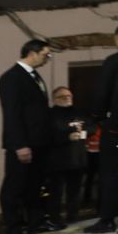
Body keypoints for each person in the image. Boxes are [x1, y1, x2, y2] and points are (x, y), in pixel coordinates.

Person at [0, 39, 55, 234]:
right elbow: (12, 114)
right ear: (32, 52)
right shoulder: (11, 78)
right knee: (15, 187)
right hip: (22, 143)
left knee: (35, 184)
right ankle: (13, 229)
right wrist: (20, 144)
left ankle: (36, 221)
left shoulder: (34, 76)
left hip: (39, 141)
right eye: (46, 54)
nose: (48, 59)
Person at [86, 23, 118, 234]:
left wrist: (95, 117)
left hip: (116, 125)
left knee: (109, 172)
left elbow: (103, 93)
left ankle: (107, 217)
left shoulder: (114, 61)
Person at [46, 87, 88, 226]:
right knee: (56, 192)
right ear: (55, 99)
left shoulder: (79, 112)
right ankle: (55, 218)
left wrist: (82, 134)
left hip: (77, 159)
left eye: (69, 96)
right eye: (63, 96)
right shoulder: (50, 115)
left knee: (75, 191)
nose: (67, 98)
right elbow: (48, 136)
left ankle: (73, 216)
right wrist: (67, 137)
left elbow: (91, 127)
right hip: (57, 160)